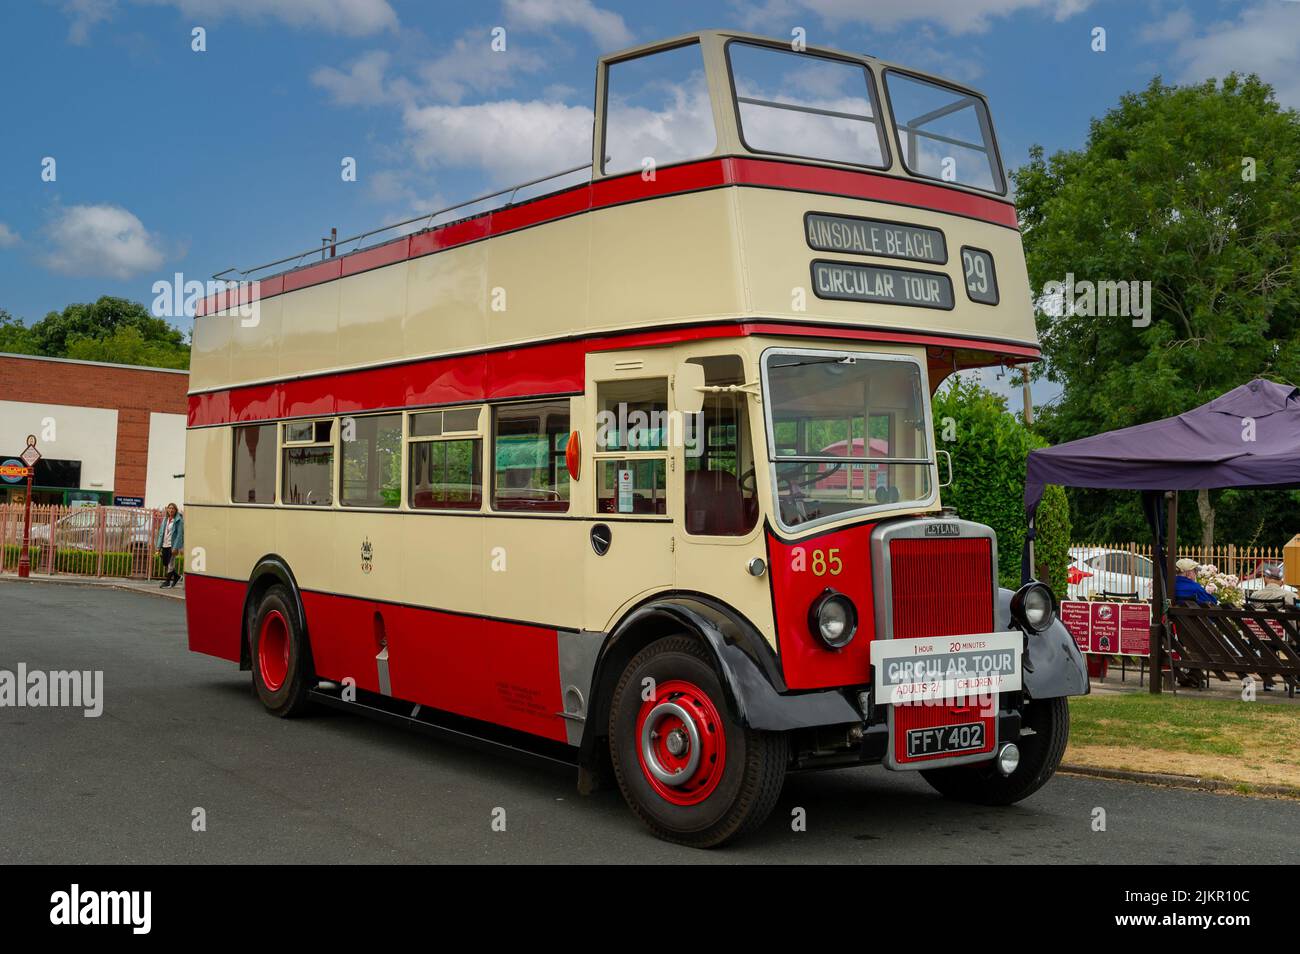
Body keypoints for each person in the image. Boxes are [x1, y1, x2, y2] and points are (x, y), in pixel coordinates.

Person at [156, 503, 184, 588]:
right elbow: (161, 533)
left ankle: (167, 582)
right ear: (167, 509)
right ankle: (177, 577)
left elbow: (179, 534)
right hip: (164, 544)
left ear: (175, 510)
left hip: (172, 545)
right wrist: (158, 546)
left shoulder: (179, 520)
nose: (171, 510)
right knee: (165, 562)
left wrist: (175, 547)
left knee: (170, 563)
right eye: (170, 508)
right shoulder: (165, 519)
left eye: (173, 508)